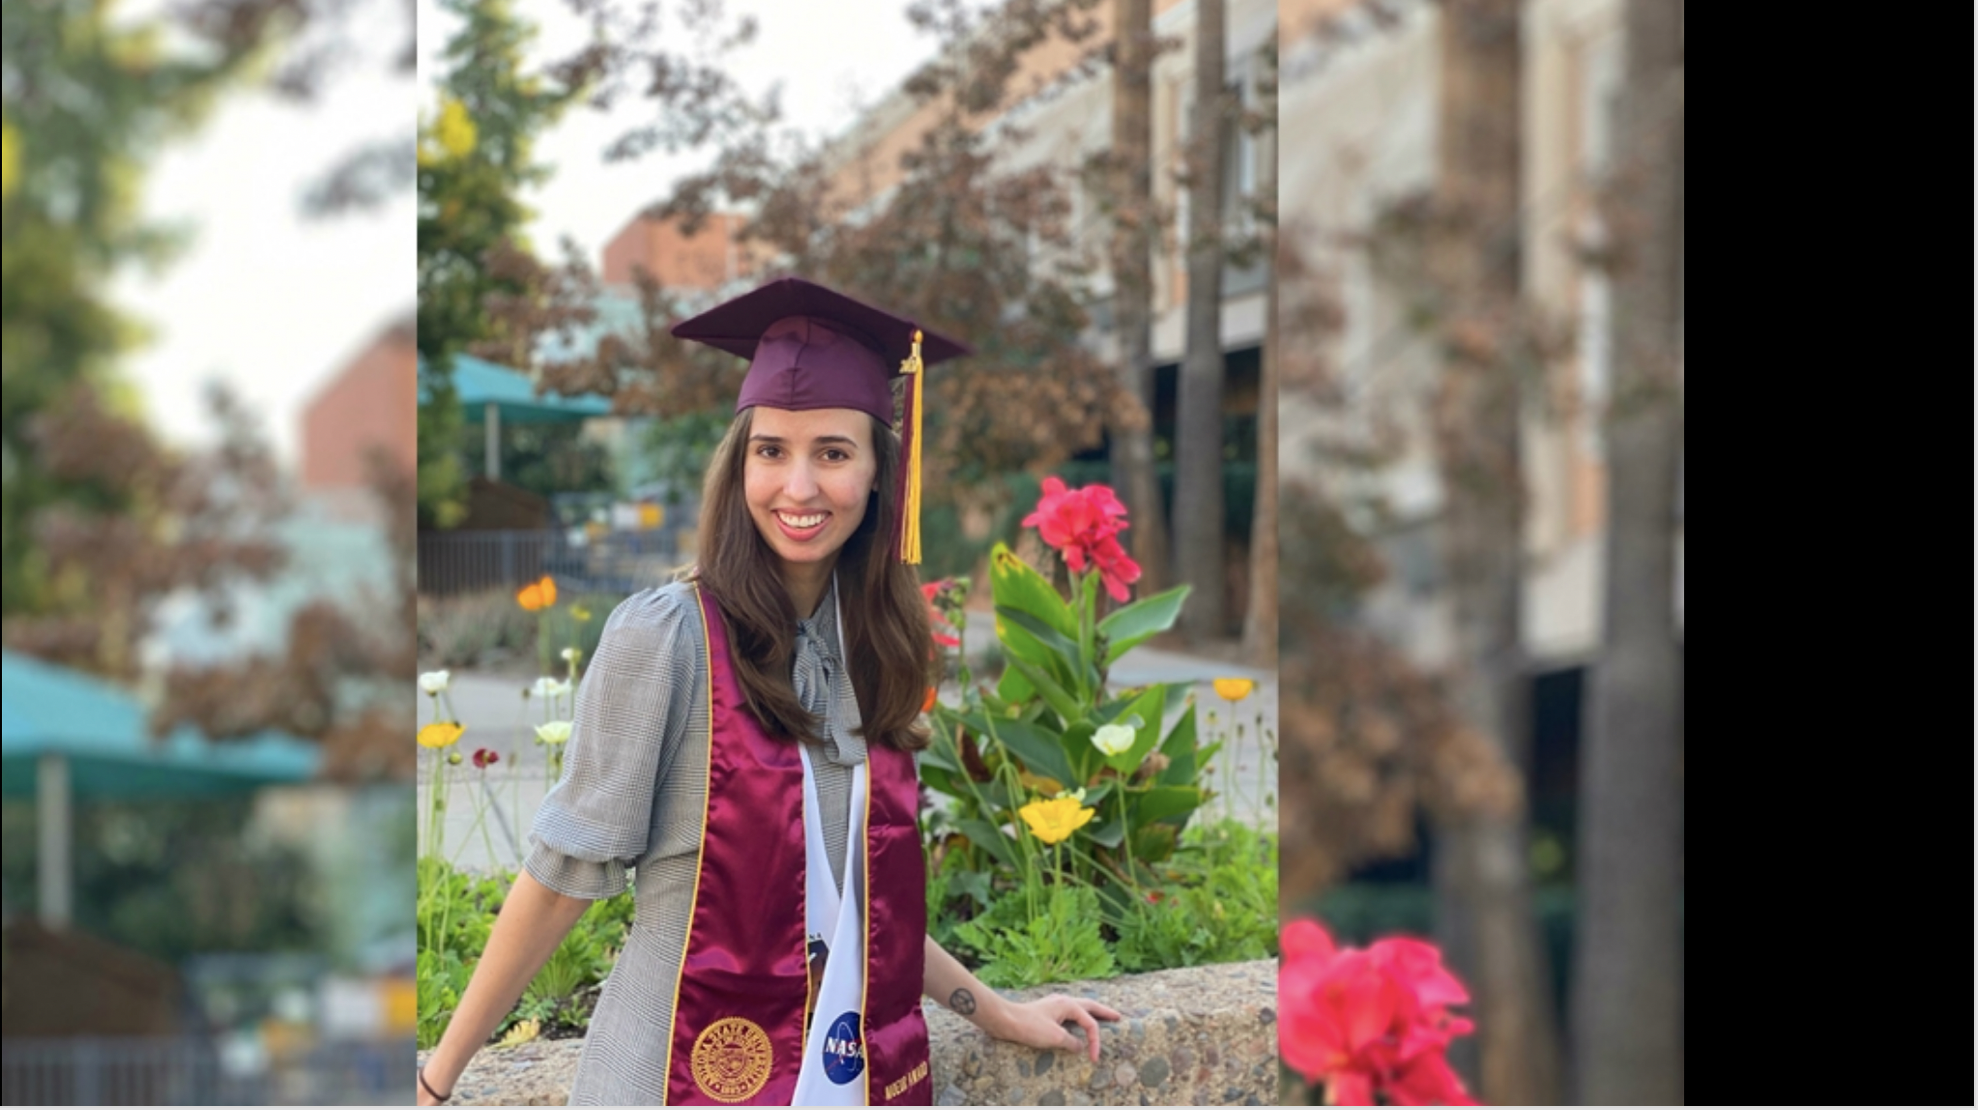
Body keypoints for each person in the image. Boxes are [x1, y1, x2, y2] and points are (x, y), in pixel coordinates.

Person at [417, 277, 1119, 1106]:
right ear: (739, 462)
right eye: (771, 451)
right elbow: (561, 877)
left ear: (877, 474)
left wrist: (996, 1011)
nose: (798, 487)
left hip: (841, 1077)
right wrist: (435, 1080)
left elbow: (859, 904)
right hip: (672, 1072)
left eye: (832, 451)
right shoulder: (667, 637)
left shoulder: (870, 645)